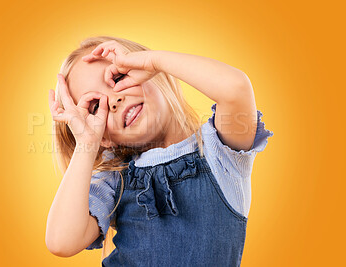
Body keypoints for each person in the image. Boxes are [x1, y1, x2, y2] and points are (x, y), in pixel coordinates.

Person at [45, 35, 274, 266]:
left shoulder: (220, 154)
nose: (113, 101)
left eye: (119, 77)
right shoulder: (115, 179)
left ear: (151, 72)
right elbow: (60, 242)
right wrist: (86, 142)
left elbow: (236, 88)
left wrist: (156, 61)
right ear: (105, 139)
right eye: (96, 107)